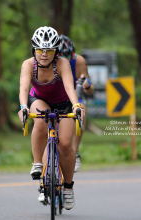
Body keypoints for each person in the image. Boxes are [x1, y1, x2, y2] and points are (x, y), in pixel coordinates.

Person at [18, 26, 85, 210]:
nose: (44, 54)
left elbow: (71, 88)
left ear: (56, 51)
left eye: (49, 50)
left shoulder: (62, 64)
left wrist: (77, 105)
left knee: (64, 144)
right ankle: (38, 163)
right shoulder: (28, 65)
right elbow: (24, 89)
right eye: (40, 50)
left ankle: (68, 188)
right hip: (39, 100)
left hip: (64, 103)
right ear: (34, 50)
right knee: (40, 119)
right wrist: (23, 107)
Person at [58, 35, 94, 172]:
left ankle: (76, 151)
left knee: (81, 111)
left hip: (74, 97)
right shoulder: (47, 60)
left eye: (68, 58)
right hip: (54, 96)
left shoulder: (79, 61)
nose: (65, 62)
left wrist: (87, 84)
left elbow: (90, 90)